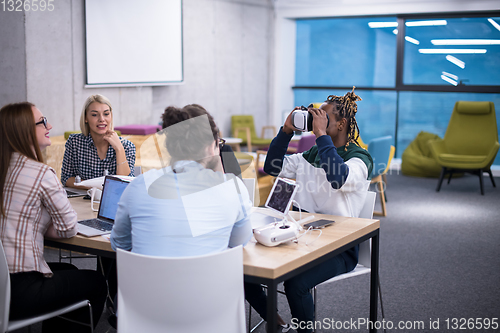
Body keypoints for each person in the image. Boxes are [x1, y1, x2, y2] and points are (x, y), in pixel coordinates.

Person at [247, 89, 373, 333]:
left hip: (339, 249)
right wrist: (286, 131)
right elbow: (272, 166)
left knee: (296, 284)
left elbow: (337, 177)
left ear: (341, 124)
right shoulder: (312, 154)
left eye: (322, 117)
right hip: (301, 239)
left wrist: (321, 135)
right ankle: (276, 321)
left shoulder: (360, 159)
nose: (316, 120)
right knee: (247, 269)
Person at [0, 102, 107, 332]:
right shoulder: (39, 172)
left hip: (4, 282)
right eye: (42, 121)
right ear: (24, 130)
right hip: (20, 291)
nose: (50, 125)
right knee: (97, 283)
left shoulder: (3, 168)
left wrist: (35, 226)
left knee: (70, 273)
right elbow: (68, 227)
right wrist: (42, 227)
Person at [111, 104, 252, 255]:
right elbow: (239, 242)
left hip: (147, 278)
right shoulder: (232, 188)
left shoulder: (139, 185)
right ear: (213, 145)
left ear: (170, 146)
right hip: (209, 278)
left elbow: (119, 244)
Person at [61, 94, 136, 188]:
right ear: (85, 118)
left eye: (106, 114)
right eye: (94, 115)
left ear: (111, 116)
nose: (101, 119)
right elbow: (66, 178)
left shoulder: (126, 146)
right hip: (82, 200)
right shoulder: (74, 142)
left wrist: (119, 149)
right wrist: (96, 187)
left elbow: (124, 185)